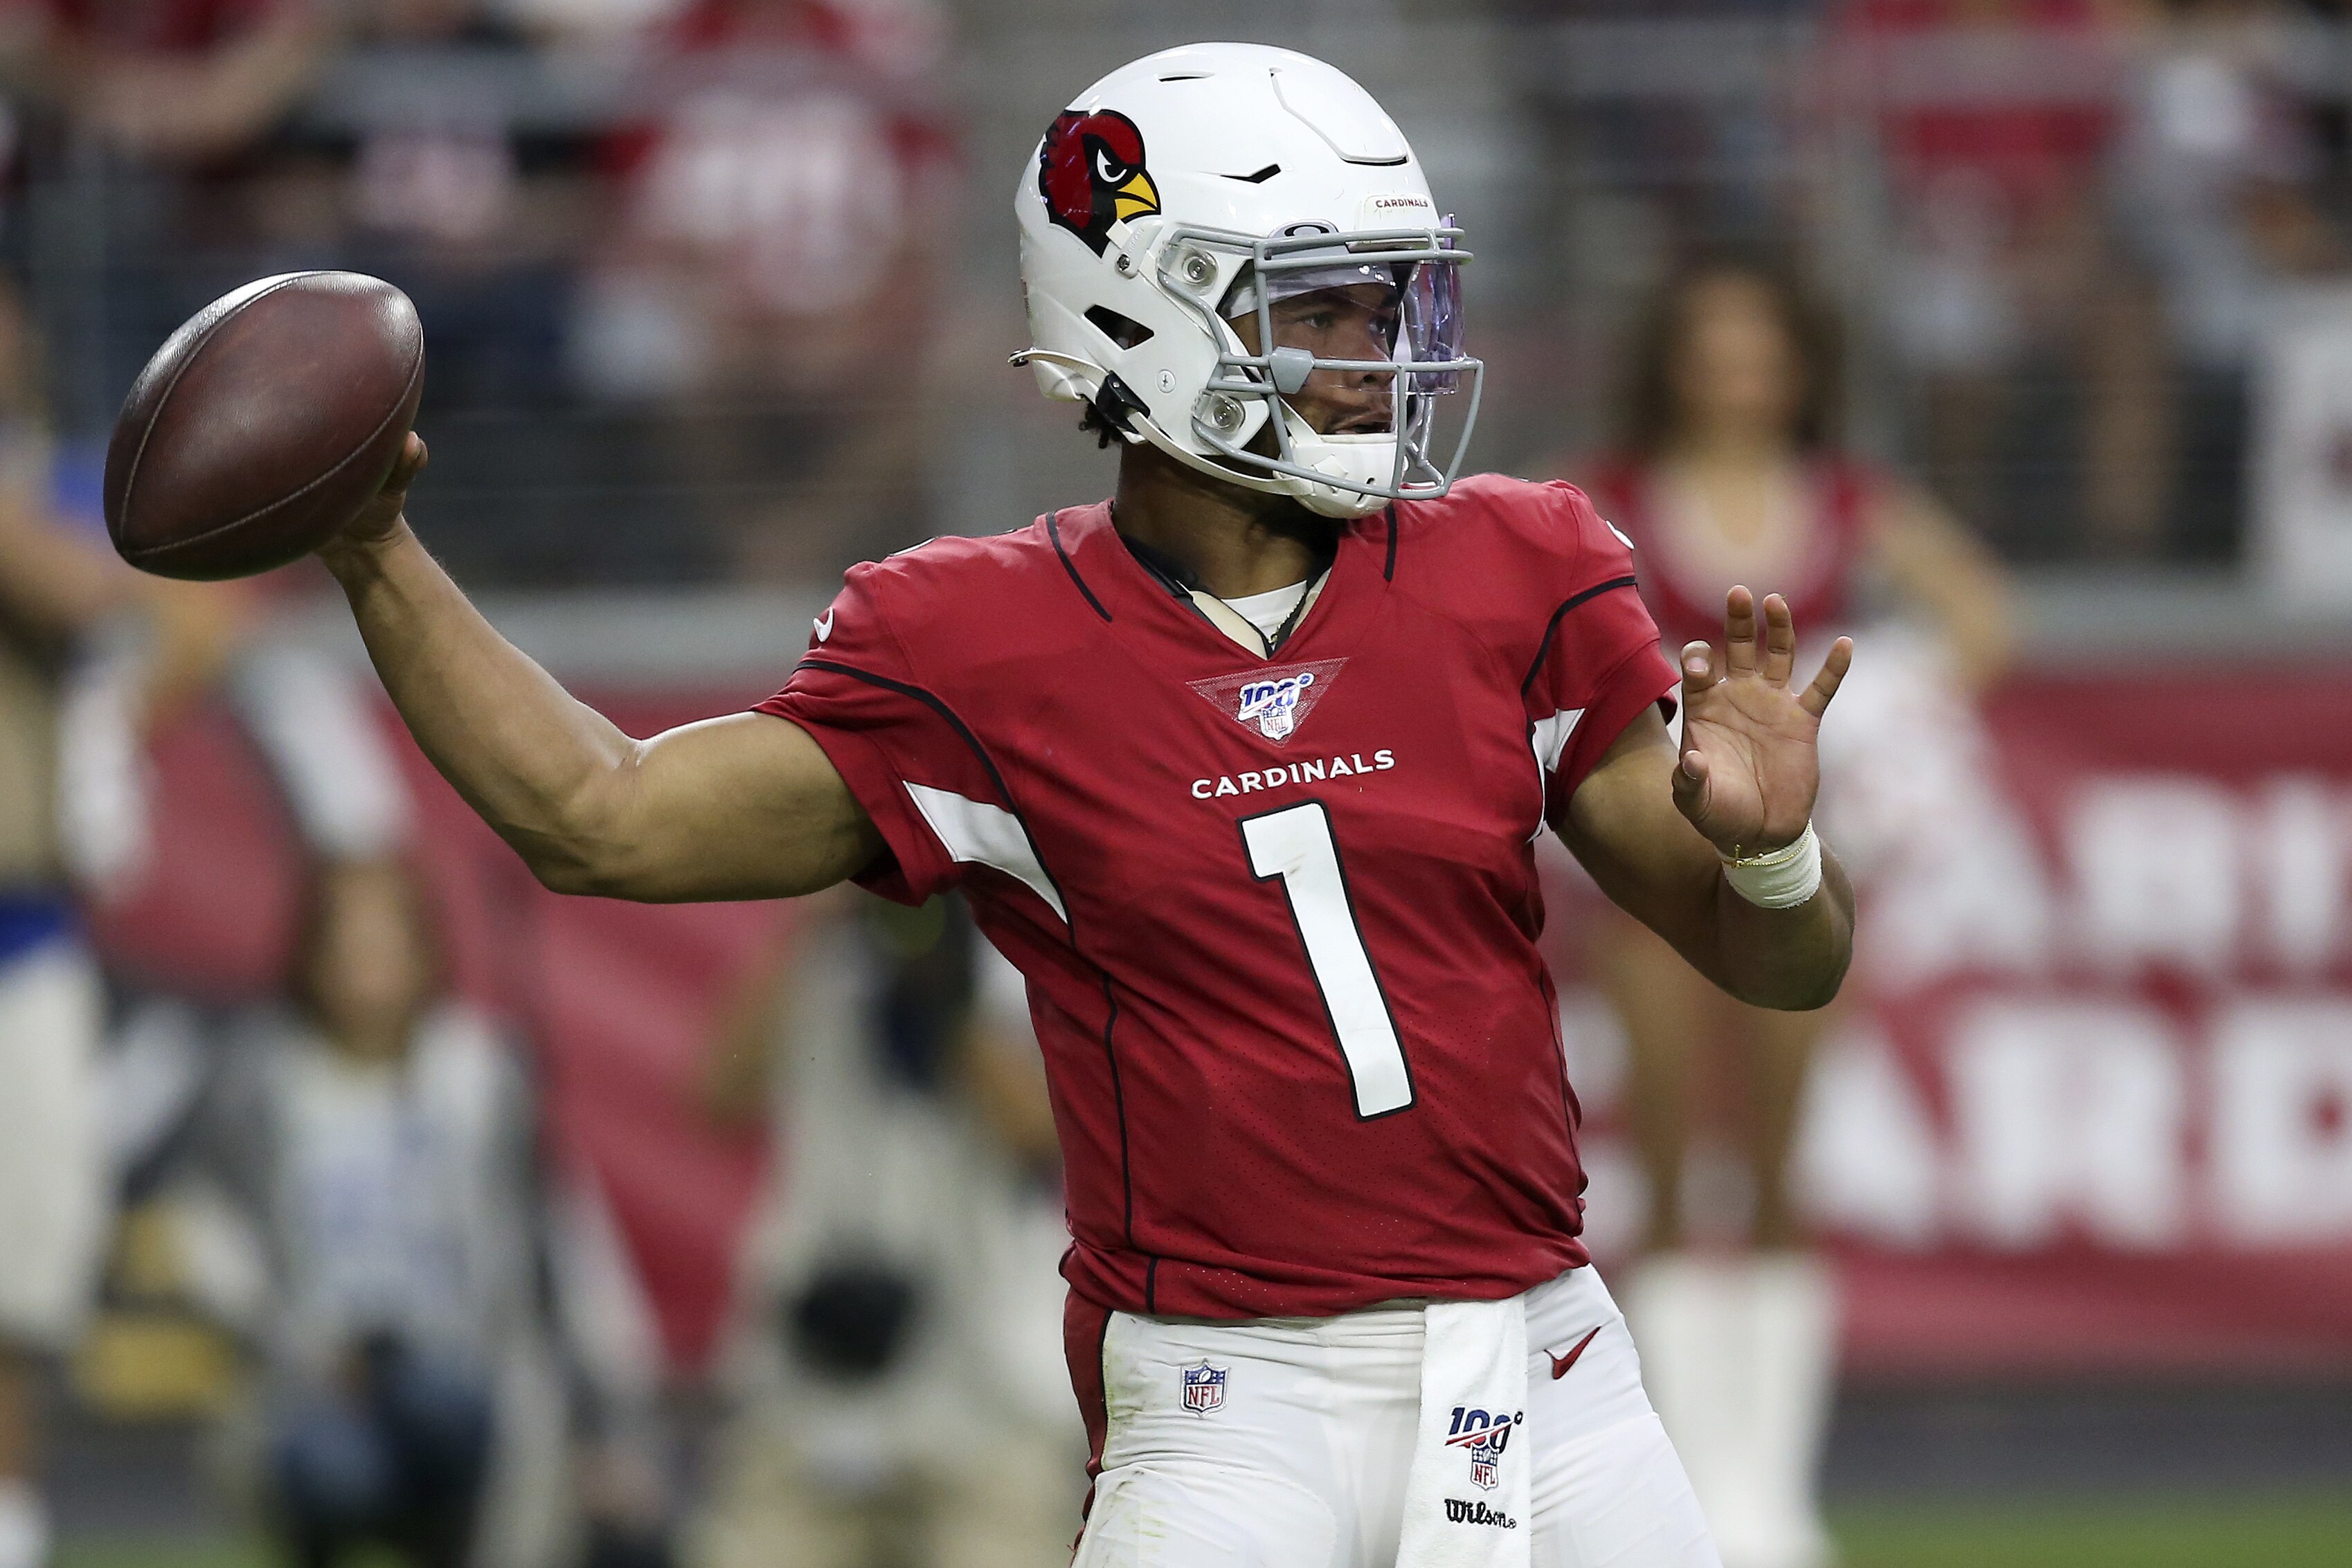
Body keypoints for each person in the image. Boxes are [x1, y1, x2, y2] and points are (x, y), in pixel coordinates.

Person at [298, 43, 1860, 1568]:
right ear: (1144, 313)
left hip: (1539, 1367)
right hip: (1228, 1402)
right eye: (1317, 308)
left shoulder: (1516, 563)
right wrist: (375, 550)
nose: (1374, 355)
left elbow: (1780, 965)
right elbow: (602, 814)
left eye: (1386, 304)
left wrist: (1774, 852)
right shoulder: (977, 642)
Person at [1574, 254, 2008, 1568]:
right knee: (1659, 1164)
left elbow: (1982, 617)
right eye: (1710, 347)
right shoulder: (1608, 496)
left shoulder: (1843, 496)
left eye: (1758, 348)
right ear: (1671, 363)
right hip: (1655, 874)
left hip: (1791, 865)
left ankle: (1766, 1495)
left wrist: (1880, 722)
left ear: (1799, 365)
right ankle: (1687, 1486)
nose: (1735, 373)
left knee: (1772, 1162)